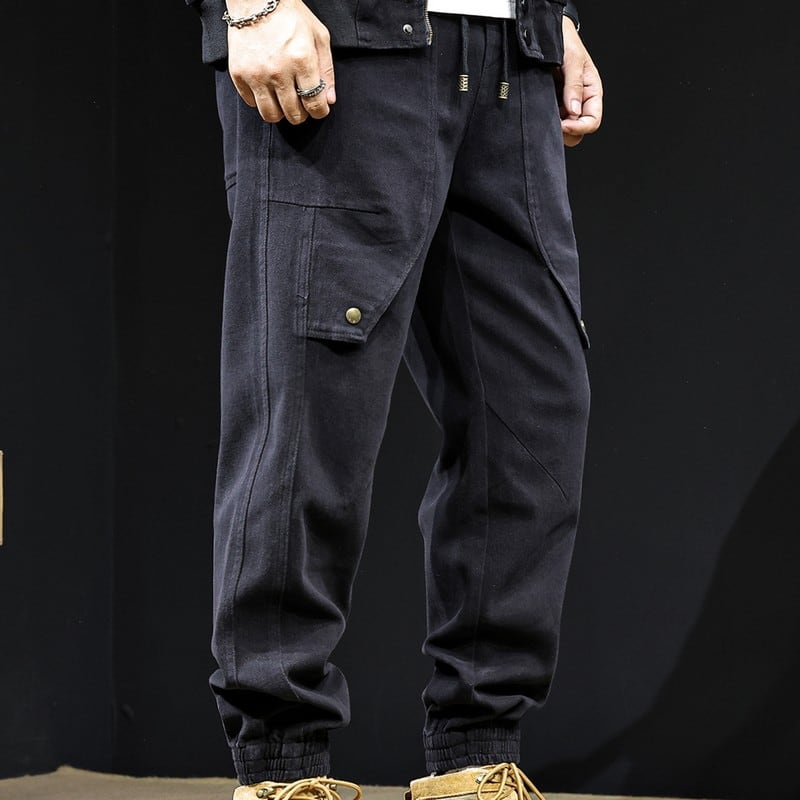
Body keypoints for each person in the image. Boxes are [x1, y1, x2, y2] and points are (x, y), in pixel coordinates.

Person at [185, 1, 603, 799]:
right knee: (308, 415)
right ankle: (281, 767)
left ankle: (477, 756)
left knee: (530, 414)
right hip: (343, 42)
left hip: (512, 58)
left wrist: (558, 17)